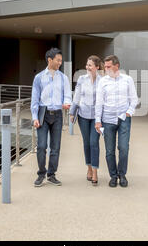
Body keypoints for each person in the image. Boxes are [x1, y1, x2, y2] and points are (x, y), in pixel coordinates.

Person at [95, 55, 138, 188]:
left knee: (124, 148)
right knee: (109, 150)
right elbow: (99, 102)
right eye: (105, 67)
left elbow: (134, 99)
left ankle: (122, 175)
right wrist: (98, 120)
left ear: (116, 66)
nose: (106, 69)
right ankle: (113, 176)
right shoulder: (103, 81)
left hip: (124, 119)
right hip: (107, 120)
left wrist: (128, 112)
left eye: (108, 66)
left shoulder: (127, 80)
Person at [31, 48, 72, 187]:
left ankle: (52, 174)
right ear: (50, 60)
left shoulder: (63, 78)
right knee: (41, 146)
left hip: (58, 115)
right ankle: (41, 173)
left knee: (55, 147)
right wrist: (34, 117)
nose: (60, 62)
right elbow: (34, 99)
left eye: (61, 60)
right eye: (58, 60)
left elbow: (67, 95)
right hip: (43, 114)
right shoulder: (39, 78)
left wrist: (67, 103)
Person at [70, 56, 103, 186]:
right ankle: (89, 168)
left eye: (90, 65)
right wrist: (72, 112)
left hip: (97, 117)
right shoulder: (81, 79)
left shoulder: (102, 81)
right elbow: (77, 95)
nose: (87, 67)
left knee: (94, 142)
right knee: (86, 143)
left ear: (97, 67)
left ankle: (95, 171)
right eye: (87, 65)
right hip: (83, 115)